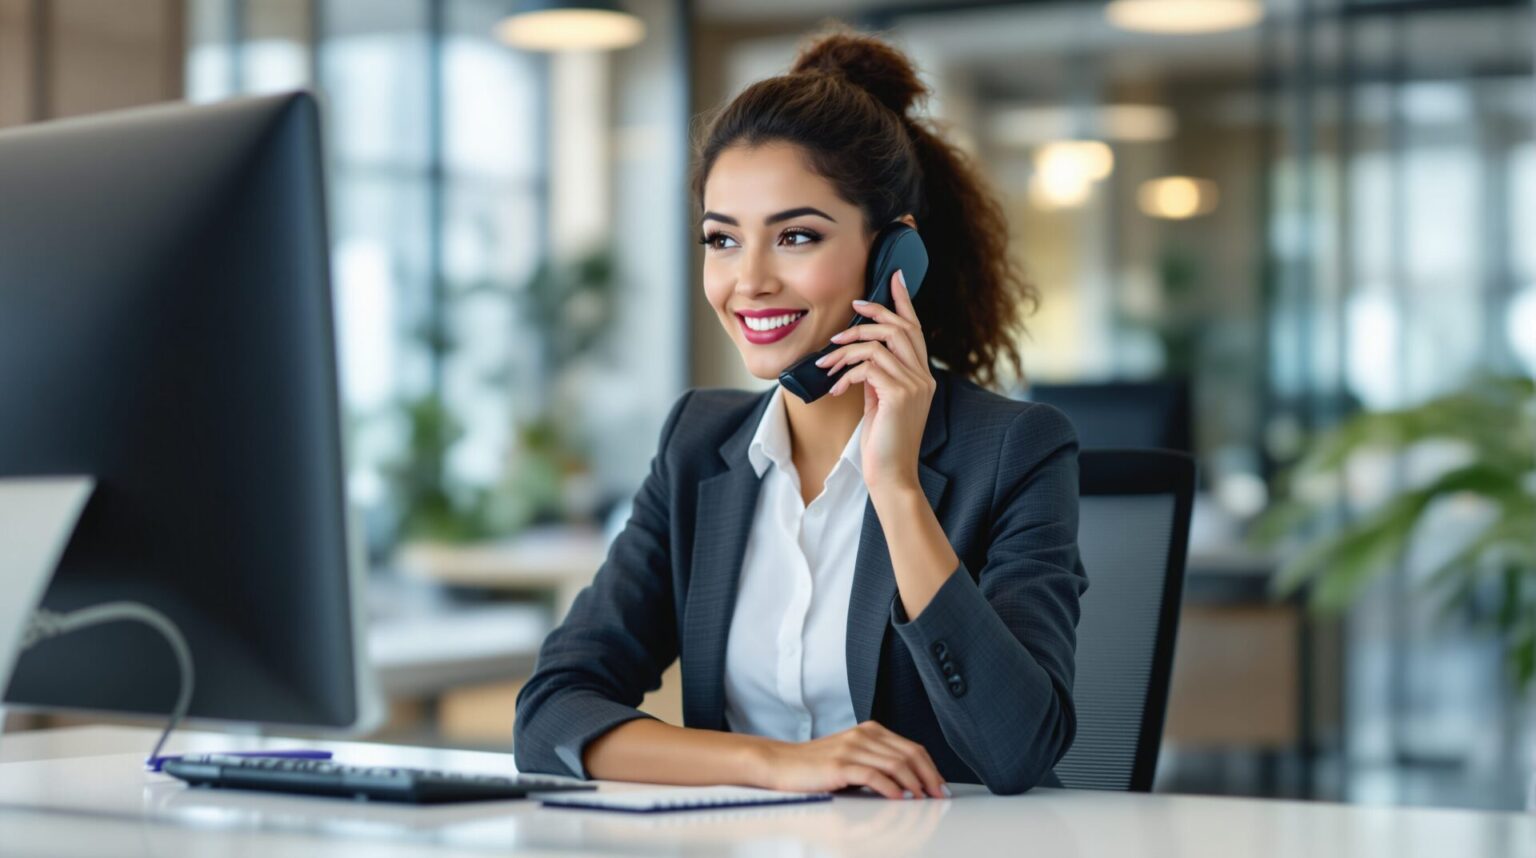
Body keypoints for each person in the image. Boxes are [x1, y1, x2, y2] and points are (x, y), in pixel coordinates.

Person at [513, 28, 1086, 798]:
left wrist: (897, 488)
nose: (748, 281)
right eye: (722, 240)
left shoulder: (1014, 450)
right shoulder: (699, 445)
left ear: (893, 258)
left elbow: (1019, 749)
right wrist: (774, 764)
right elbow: (550, 713)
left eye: (796, 236)